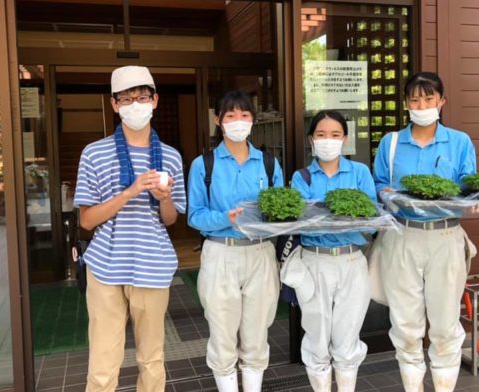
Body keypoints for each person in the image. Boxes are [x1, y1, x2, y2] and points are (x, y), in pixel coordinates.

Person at [74, 66, 186, 392]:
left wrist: (164, 199)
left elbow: (170, 220)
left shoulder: (170, 157)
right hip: (105, 267)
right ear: (114, 105)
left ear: (155, 101)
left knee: (152, 359)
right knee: (103, 361)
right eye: (127, 99)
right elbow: (86, 220)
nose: (135, 105)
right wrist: (130, 191)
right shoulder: (94, 153)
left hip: (153, 264)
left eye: (142, 97)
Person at [372, 72, 477, 392]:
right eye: (415, 99)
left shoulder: (459, 141)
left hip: (445, 237)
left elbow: (469, 186)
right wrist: (386, 193)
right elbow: (377, 184)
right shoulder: (390, 144)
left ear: (441, 102)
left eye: (428, 99)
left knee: (445, 324)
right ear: (406, 104)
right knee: (405, 324)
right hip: (402, 236)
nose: (422, 105)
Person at [187, 91, 284, 392]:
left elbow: (281, 209)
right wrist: (224, 219)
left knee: (257, 333)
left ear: (253, 120)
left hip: (260, 253)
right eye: (230, 116)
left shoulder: (268, 163)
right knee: (222, 333)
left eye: (244, 115)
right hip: (221, 253)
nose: (238, 121)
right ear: (218, 121)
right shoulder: (204, 164)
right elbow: (194, 215)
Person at [284, 110, 376, 392]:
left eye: (335, 135)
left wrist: (328, 218)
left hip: (351, 261)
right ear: (311, 139)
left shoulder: (359, 172)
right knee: (317, 336)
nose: (328, 141)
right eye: (321, 135)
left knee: (348, 335)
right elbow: (301, 222)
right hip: (314, 262)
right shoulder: (302, 177)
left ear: (344, 139)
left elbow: (371, 220)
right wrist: (340, 219)